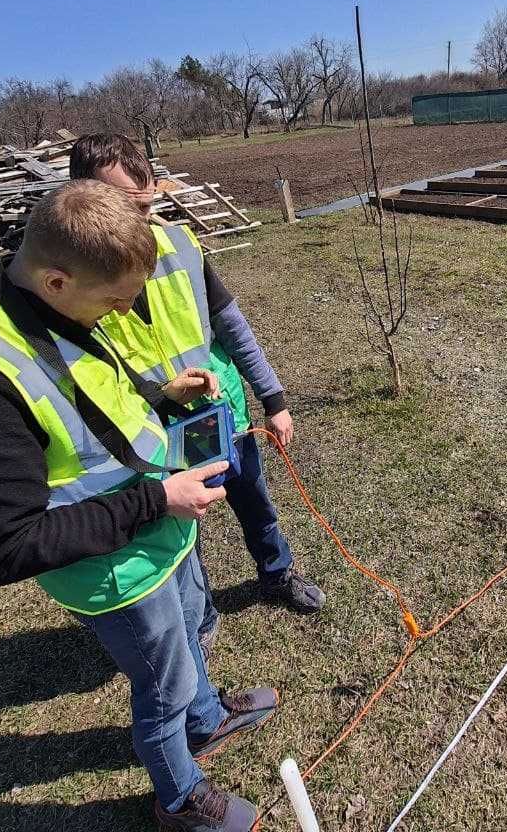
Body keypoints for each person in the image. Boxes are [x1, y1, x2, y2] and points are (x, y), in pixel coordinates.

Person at [0, 180, 273, 831]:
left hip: (162, 534)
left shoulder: (47, 308)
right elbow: (3, 547)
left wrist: (161, 395)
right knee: (163, 686)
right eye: (115, 300)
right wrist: (156, 500)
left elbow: (87, 404)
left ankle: (209, 719)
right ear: (58, 280)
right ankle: (180, 797)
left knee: (191, 645)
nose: (127, 313)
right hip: (114, 572)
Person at [69, 134, 325, 655]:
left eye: (145, 204)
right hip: (155, 435)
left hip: (223, 413)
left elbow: (233, 327)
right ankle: (201, 620)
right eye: (123, 207)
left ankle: (276, 574)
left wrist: (273, 399)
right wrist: (161, 396)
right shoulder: (70, 283)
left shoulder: (181, 245)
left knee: (255, 499)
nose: (139, 221)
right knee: (182, 533)